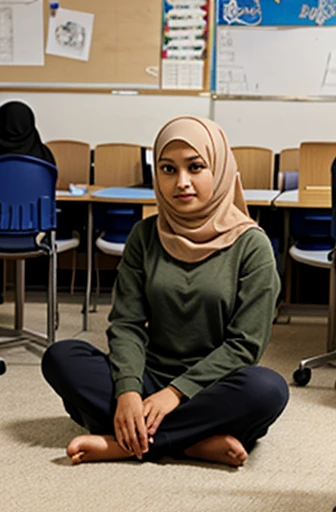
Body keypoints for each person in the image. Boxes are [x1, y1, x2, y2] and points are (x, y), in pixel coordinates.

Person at [42, 115, 289, 467]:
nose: (182, 182)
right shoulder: (144, 236)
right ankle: (194, 442)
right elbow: (126, 324)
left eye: (196, 167)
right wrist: (128, 390)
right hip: (149, 375)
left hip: (215, 384)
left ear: (218, 170)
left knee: (267, 390)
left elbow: (245, 345)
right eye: (168, 169)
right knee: (61, 357)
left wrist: (175, 394)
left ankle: (123, 442)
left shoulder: (252, 245)